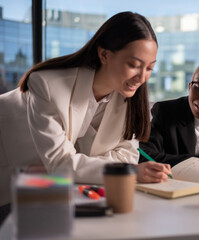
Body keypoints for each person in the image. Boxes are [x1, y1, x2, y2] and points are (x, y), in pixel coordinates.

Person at [0, 12, 171, 224]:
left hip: (55, 185)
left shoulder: (128, 96)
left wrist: (92, 164)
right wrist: (131, 171)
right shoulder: (47, 85)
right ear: (105, 55)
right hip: (10, 174)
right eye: (134, 65)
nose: (142, 77)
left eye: (149, 67)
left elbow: (127, 156)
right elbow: (61, 163)